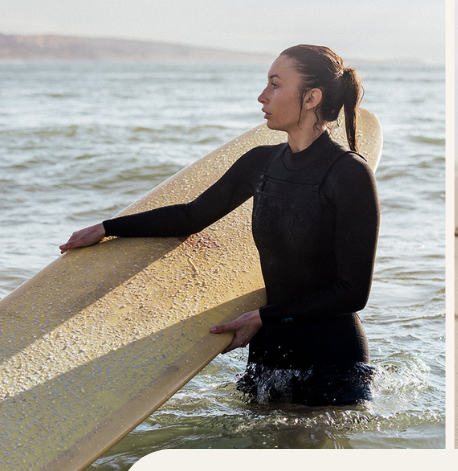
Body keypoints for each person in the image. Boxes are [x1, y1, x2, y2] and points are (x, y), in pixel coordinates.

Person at [60, 44, 380, 407]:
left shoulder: (349, 174)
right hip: (268, 358)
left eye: (275, 85)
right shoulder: (261, 163)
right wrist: (107, 228)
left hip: (332, 364)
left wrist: (262, 316)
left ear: (311, 97)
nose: (262, 96)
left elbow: (353, 292)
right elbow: (191, 215)